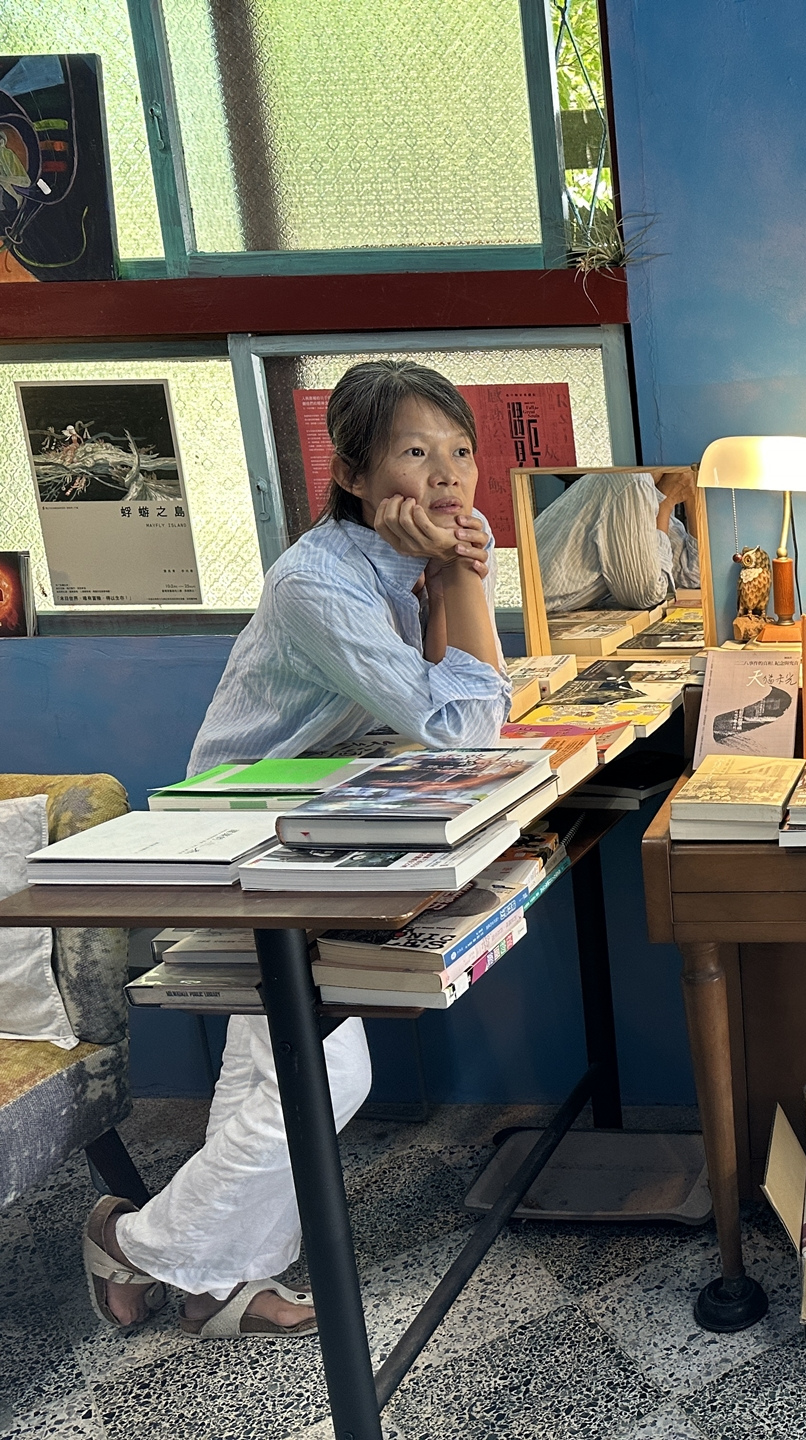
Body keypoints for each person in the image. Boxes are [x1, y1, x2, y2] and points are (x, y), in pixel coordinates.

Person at [79, 360, 511, 1339]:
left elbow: (442, 690)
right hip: (243, 843)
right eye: (416, 452)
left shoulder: (390, 561)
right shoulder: (320, 581)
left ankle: (221, 1282)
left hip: (314, 825)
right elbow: (468, 726)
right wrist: (461, 575)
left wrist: (448, 578)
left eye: (460, 450)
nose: (448, 475)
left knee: (263, 1074)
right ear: (353, 472)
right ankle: (131, 1241)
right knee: (329, 1075)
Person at [532, 468, 700, 613]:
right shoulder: (633, 482)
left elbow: (691, 575)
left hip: (550, 612)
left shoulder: (648, 487)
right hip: (533, 618)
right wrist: (666, 504)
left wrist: (693, 497)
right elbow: (645, 595)